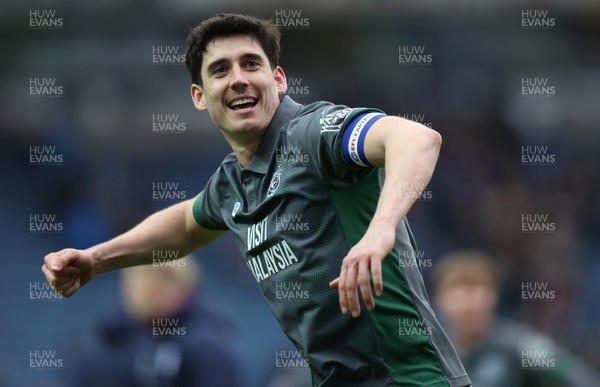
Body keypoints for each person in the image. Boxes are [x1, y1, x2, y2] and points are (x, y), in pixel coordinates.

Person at [42, 13, 471, 386]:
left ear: (278, 79)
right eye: (220, 70)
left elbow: (416, 138)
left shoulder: (313, 132)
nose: (239, 78)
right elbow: (186, 225)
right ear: (199, 96)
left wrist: (381, 229)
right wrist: (96, 259)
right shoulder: (232, 183)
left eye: (251, 64)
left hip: (411, 379)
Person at [432, 249, 600, 387]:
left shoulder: (519, 347)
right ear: (440, 300)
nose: (470, 303)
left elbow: (576, 376)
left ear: (493, 297)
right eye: (460, 290)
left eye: (477, 290)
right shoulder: (431, 358)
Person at [66, 257, 240, 387]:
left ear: (170, 286)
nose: (126, 293)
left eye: (136, 284)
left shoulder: (204, 345)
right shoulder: (110, 338)